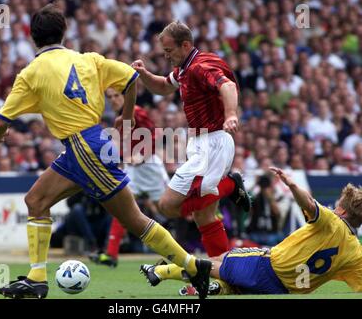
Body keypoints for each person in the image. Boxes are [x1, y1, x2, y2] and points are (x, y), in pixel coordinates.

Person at [0, 5, 211, 300]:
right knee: (36, 200)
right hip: (83, 147)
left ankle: (192, 266)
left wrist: (0, 135)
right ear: (65, 32)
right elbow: (132, 79)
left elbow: (1, 120)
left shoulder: (30, 72)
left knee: (134, 220)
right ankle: (36, 279)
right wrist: (128, 116)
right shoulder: (88, 59)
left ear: (33, 37)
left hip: (85, 147)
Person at [132, 21, 251, 292]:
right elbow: (163, 86)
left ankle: (231, 184)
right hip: (199, 143)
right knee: (203, 218)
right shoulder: (185, 68)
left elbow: (227, 87)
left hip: (213, 142)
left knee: (167, 205)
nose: (166, 55)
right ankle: (224, 278)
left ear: (186, 45)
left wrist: (231, 114)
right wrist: (144, 74)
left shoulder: (201, 66)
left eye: (169, 50)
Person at [141, 167, 362, 295]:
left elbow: (310, 205)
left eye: (336, 205)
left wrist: (292, 185)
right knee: (233, 284)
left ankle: (161, 271)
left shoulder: (331, 221)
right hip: (285, 289)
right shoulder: (354, 250)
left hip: (268, 265)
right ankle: (216, 289)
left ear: (341, 210)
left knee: (216, 261)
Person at [89, 87, 170, 267]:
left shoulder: (136, 112)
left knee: (169, 208)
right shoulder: (119, 118)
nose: (113, 100)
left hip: (149, 167)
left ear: (127, 96)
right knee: (123, 207)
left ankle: (203, 208)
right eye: (110, 97)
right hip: (133, 170)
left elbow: (156, 134)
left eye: (116, 96)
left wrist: (142, 155)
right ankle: (111, 254)